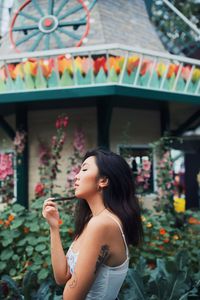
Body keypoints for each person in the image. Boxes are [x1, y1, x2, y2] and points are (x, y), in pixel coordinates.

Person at [42, 148, 143, 300]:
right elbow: (62, 277)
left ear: (103, 180)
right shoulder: (93, 219)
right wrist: (54, 227)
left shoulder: (102, 224)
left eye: (84, 169)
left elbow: (71, 297)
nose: (76, 176)